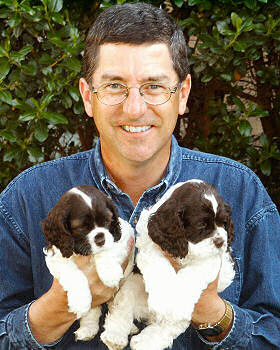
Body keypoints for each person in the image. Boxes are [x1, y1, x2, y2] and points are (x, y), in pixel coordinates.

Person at [0, 2, 279, 349]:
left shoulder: (243, 191)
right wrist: (57, 307)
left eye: (154, 86)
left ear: (183, 95)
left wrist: (209, 309)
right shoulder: (25, 198)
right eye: (115, 86)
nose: (134, 107)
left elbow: (273, 334)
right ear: (88, 97)